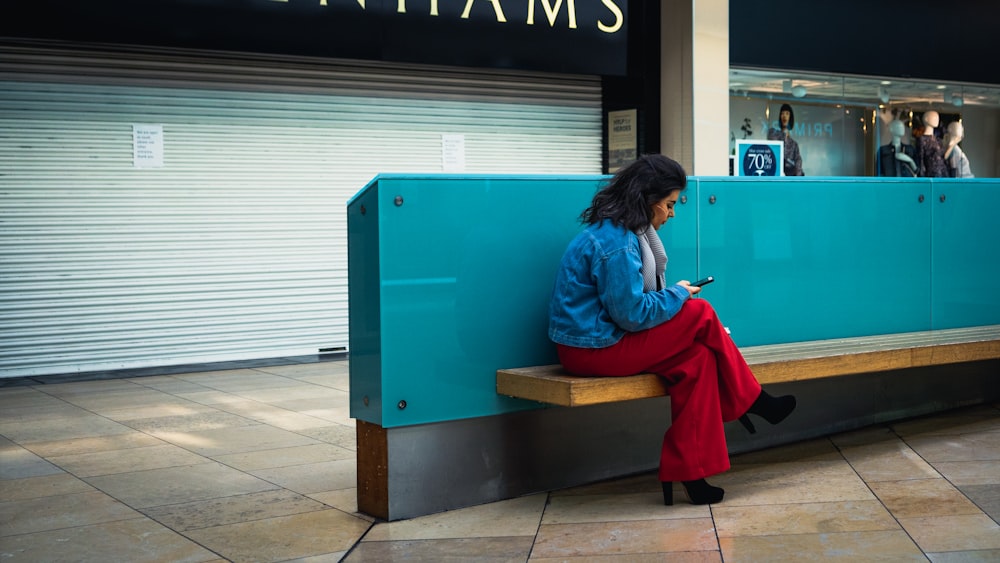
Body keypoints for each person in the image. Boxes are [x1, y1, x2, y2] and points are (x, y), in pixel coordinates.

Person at [547, 154, 797, 506]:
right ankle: (752, 398)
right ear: (647, 200)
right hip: (592, 348)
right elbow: (632, 315)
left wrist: (674, 295)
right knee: (700, 312)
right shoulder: (617, 243)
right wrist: (678, 292)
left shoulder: (628, 234)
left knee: (697, 360)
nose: (672, 213)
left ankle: (691, 473)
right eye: (669, 204)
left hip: (604, 341)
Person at [767, 103, 804, 176]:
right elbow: (772, 142)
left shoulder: (794, 144)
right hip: (775, 173)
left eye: (787, 114)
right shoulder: (773, 133)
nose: (784, 116)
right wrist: (784, 134)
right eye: (782, 114)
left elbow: (798, 162)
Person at [915, 110, 948, 177]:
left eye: (938, 117)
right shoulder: (922, 140)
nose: (937, 119)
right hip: (930, 175)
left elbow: (943, 158)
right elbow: (920, 160)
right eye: (934, 117)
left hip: (943, 174)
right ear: (926, 119)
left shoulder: (938, 140)